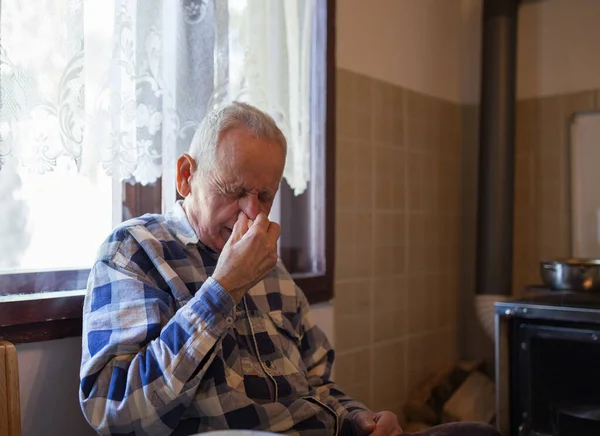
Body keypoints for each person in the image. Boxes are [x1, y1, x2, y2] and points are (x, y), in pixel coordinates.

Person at [80, 102, 501, 436]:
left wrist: (358, 418)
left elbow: (317, 383)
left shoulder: (271, 267)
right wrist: (223, 289)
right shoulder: (134, 251)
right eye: (234, 190)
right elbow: (115, 412)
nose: (251, 212)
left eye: (265, 196)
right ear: (186, 176)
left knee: (479, 432)